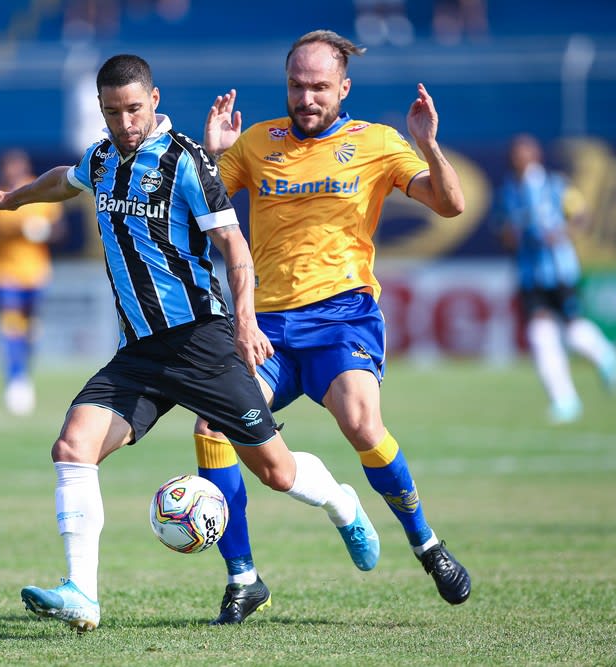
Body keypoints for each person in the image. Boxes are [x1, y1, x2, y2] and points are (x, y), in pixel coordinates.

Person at [0, 53, 379, 633]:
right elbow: (64, 179)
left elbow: (236, 250)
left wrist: (244, 322)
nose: (125, 122)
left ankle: (340, 502)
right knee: (72, 449)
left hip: (201, 344)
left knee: (276, 472)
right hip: (139, 351)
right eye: (112, 112)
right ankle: (82, 594)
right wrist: (12, 199)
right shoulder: (104, 158)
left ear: (154, 100)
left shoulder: (185, 160)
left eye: (134, 109)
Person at [194, 29, 472, 619]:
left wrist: (429, 146)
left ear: (343, 88)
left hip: (342, 316)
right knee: (213, 428)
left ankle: (426, 543)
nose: (307, 97)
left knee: (361, 422)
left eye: (319, 86)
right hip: (266, 324)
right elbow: (199, 211)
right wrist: (209, 152)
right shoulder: (256, 143)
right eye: (297, 85)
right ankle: (243, 578)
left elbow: (450, 206)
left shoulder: (376, 143)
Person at [495, 133, 616, 424]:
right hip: (529, 276)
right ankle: (564, 400)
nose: (519, 157)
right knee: (540, 336)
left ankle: (606, 358)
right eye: (515, 152)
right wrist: (510, 235)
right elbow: (503, 231)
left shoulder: (555, 185)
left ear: (535, 154)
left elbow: (580, 215)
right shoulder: (508, 193)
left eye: (524, 151)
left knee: (574, 332)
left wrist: (561, 232)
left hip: (559, 271)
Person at [0, 149, 64, 416]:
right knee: (10, 327)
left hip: (35, 273)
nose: (12, 172)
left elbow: (60, 231)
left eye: (17, 167)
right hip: (3, 273)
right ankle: (16, 380)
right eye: (8, 167)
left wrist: (43, 231)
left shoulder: (41, 194)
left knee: (30, 330)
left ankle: (24, 373)